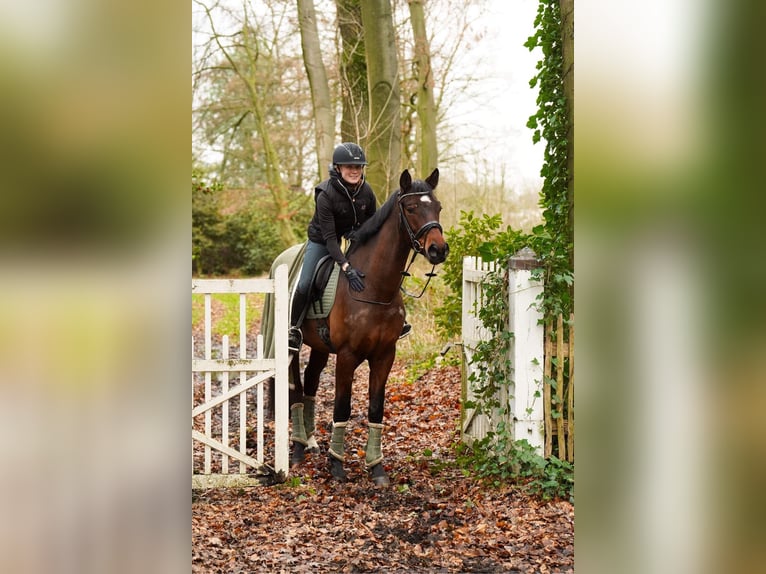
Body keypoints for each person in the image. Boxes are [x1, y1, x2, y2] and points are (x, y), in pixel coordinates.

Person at [288, 142, 411, 352]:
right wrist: (346, 267)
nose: (354, 171)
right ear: (338, 168)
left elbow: (372, 225)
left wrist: (364, 240)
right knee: (306, 282)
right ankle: (294, 329)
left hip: (352, 237)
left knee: (381, 274)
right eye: (348, 167)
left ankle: (397, 320)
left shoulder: (366, 191)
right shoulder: (325, 194)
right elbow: (329, 239)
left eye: (358, 167)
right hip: (322, 240)